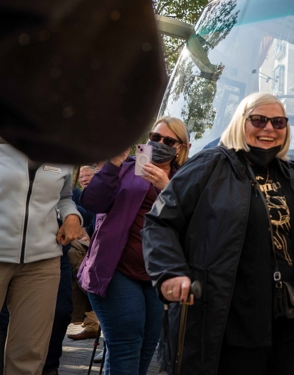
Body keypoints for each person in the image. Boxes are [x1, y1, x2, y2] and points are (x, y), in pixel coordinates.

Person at [143, 93, 294, 375]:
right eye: (259, 120)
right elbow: (161, 222)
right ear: (242, 122)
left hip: (288, 318)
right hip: (229, 317)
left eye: (278, 122)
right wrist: (170, 271)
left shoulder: (289, 172)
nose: (269, 128)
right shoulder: (209, 165)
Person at [78, 117, 190, 375]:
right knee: (126, 347)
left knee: (147, 347)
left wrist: (166, 188)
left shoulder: (185, 179)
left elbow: (192, 224)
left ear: (180, 148)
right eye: (155, 137)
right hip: (115, 271)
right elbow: (93, 203)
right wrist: (114, 163)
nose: (160, 143)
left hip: (156, 276)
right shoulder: (126, 167)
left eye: (168, 140)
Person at [0, 139, 81, 375]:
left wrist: (72, 216)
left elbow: (65, 198)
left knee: (30, 351)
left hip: (43, 261)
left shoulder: (63, 153)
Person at [68, 165, 100, 340]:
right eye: (81, 176)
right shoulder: (79, 192)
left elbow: (88, 217)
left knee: (77, 263)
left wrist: (71, 214)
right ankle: (90, 323)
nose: (84, 178)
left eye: (87, 175)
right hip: (84, 241)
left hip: (97, 244)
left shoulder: (94, 192)